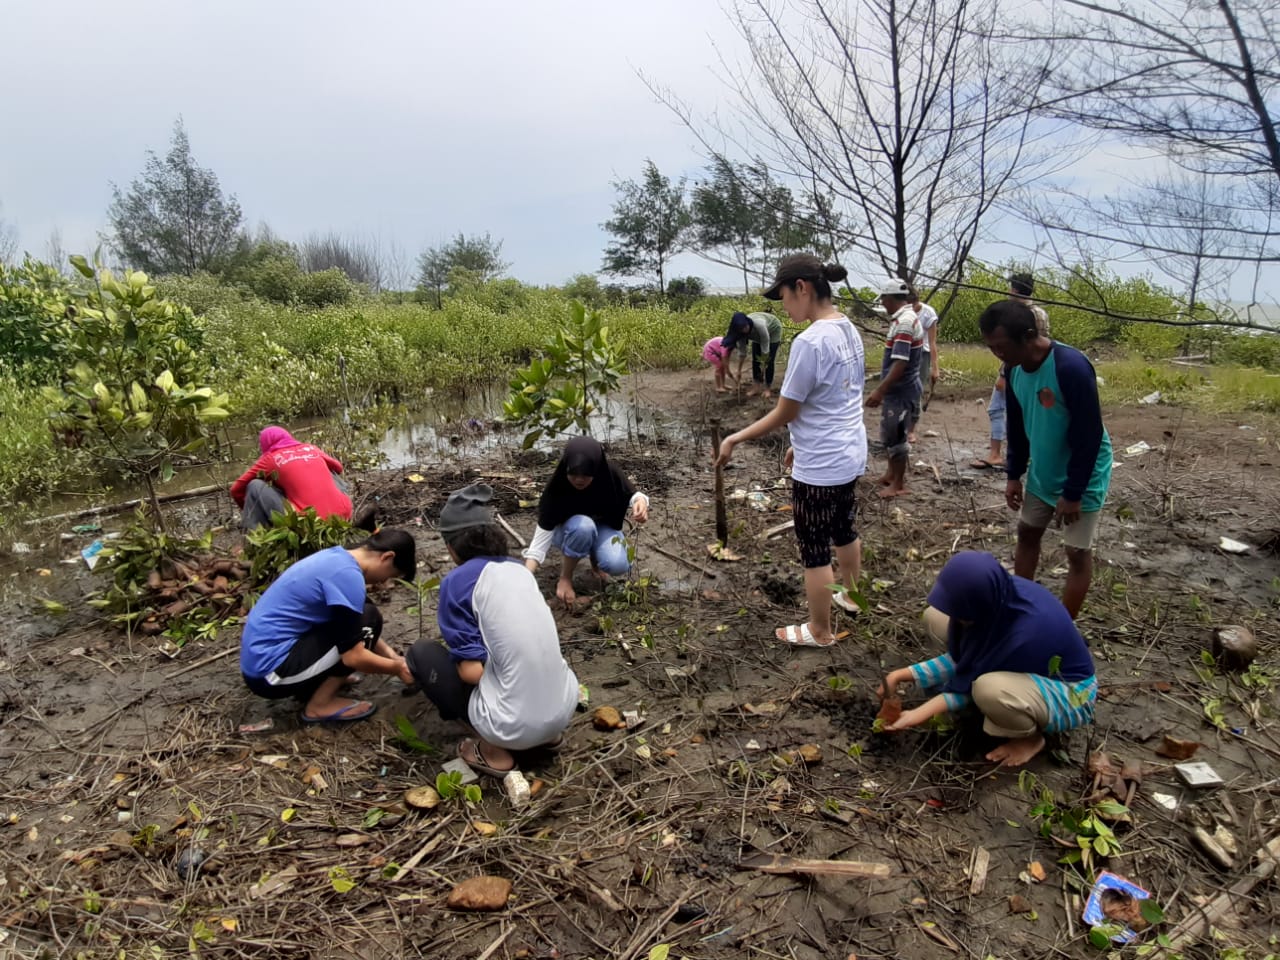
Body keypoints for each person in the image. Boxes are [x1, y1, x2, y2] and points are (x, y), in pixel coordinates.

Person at [714, 254, 866, 648]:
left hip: (822, 466)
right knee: (844, 529)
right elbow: (834, 398)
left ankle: (820, 630)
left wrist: (734, 438)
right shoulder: (847, 328)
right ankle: (852, 597)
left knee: (814, 549)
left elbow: (786, 411)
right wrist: (800, 444)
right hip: (849, 454)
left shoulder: (810, 342)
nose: (783, 307)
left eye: (782, 296)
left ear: (801, 287)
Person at [407, 484, 579, 777]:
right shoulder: (520, 571)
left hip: (511, 726)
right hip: (564, 708)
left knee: (422, 653)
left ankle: (493, 751)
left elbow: (471, 673)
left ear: (452, 546)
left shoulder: (457, 582)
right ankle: (547, 736)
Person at [878, 551, 1096, 767]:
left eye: (963, 617)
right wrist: (899, 675)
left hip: (1071, 693)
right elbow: (966, 660)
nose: (957, 620)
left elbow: (969, 687)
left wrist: (918, 714)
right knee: (935, 617)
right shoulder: (999, 594)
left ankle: (1030, 739)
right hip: (1018, 659)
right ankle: (1006, 706)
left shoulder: (1024, 635)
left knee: (987, 689)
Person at [979, 300, 1111, 618]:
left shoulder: (1070, 368)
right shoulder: (1013, 370)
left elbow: (1090, 435)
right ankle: (1017, 610)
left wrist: (1073, 493)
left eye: (1001, 346)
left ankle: (1063, 627)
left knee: (1076, 552)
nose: (997, 354)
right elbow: (1017, 426)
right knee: (1027, 532)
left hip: (1084, 473)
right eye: (991, 347)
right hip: (1043, 470)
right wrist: (1014, 475)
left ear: (1028, 336)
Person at [239, 529, 417, 724]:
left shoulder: (337, 558)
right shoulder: (348, 577)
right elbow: (354, 657)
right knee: (368, 618)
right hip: (270, 673)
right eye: (390, 575)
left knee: (365, 616)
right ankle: (320, 705)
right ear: (387, 557)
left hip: (262, 660)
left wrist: (392, 657)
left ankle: (320, 681)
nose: (384, 583)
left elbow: (354, 627)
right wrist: (397, 668)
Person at [523, 437, 650, 608]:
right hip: (570, 531)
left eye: (586, 475)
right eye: (573, 474)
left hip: (601, 526)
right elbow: (538, 545)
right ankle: (566, 577)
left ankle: (595, 562)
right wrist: (524, 578)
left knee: (619, 564)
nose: (579, 480)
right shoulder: (556, 489)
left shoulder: (610, 473)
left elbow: (634, 495)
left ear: (596, 469)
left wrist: (640, 503)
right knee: (584, 527)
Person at [972, 273, 1051, 470]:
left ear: (1014, 290)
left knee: (999, 409)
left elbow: (1016, 349)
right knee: (1026, 411)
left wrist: (1003, 374)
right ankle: (1024, 456)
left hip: (1016, 368)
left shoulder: (1017, 316)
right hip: (1032, 369)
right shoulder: (1041, 313)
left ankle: (996, 454)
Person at [864, 278, 923, 498]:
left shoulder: (905, 323)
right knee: (889, 432)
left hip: (901, 390)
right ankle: (891, 474)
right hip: (899, 389)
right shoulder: (903, 319)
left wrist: (880, 390)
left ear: (889, 298)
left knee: (897, 435)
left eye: (884, 299)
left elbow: (900, 363)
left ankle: (898, 483)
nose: (883, 303)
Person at [230, 427, 353, 532]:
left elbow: (236, 489)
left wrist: (249, 508)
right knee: (330, 471)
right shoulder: (311, 448)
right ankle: (340, 509)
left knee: (255, 485)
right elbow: (338, 467)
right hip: (343, 517)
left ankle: (255, 534)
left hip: (309, 523)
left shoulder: (270, 459)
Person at [721, 310, 785, 398]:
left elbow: (765, 347)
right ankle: (756, 387)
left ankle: (767, 388)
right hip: (758, 336)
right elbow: (742, 352)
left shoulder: (759, 325)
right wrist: (739, 370)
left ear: (747, 322)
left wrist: (763, 365)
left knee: (769, 361)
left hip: (773, 330)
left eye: (745, 326)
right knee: (755, 360)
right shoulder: (740, 333)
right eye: (742, 329)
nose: (745, 329)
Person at [909, 290, 940, 443]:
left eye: (913, 305)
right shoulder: (902, 311)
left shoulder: (928, 313)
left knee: (915, 391)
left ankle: (911, 430)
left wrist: (935, 368)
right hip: (905, 352)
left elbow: (932, 342)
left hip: (922, 353)